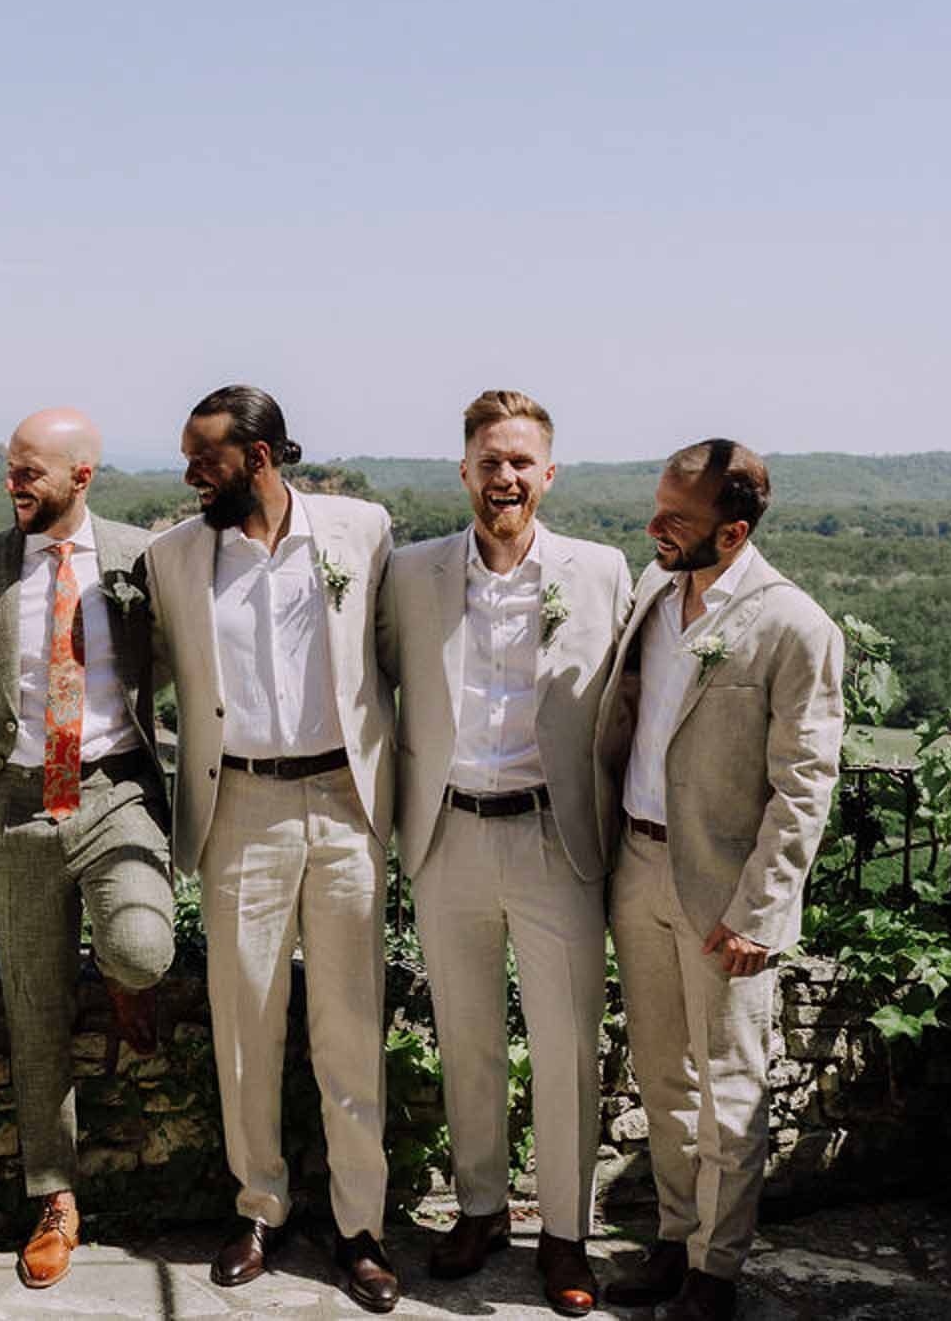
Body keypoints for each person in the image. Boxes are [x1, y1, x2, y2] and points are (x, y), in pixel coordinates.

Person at [144, 385, 401, 1314]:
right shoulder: (172, 557)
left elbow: (396, 653)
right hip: (238, 803)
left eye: (202, 461)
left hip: (343, 801)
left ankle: (359, 1226)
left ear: (259, 457)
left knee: (349, 1024)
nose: (188, 477)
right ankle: (259, 1206)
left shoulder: (361, 530)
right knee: (244, 1017)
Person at [383, 391, 629, 1317]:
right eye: (490, 461)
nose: (506, 478)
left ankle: (566, 1233)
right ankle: (483, 1208)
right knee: (468, 1040)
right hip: (448, 834)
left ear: (550, 473)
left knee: (568, 1046)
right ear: (464, 472)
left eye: (522, 462)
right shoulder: (410, 572)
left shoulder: (602, 572)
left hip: (556, 841)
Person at [595, 440, 843, 1321]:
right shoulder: (653, 596)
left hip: (726, 893)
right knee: (662, 1077)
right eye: (658, 504)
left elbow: (804, 785)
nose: (654, 527)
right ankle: (672, 1239)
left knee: (732, 1084)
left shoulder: (796, 627)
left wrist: (761, 911)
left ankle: (717, 1271)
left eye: (678, 519)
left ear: (733, 532)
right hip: (637, 865)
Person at [0, 408, 177, 1289]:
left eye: (30, 471)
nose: (13, 484)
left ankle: (124, 976)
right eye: (8, 468)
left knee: (145, 943)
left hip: (114, 792)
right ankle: (55, 1197)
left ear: (83, 476)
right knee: (33, 1005)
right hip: (15, 808)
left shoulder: (145, 560)